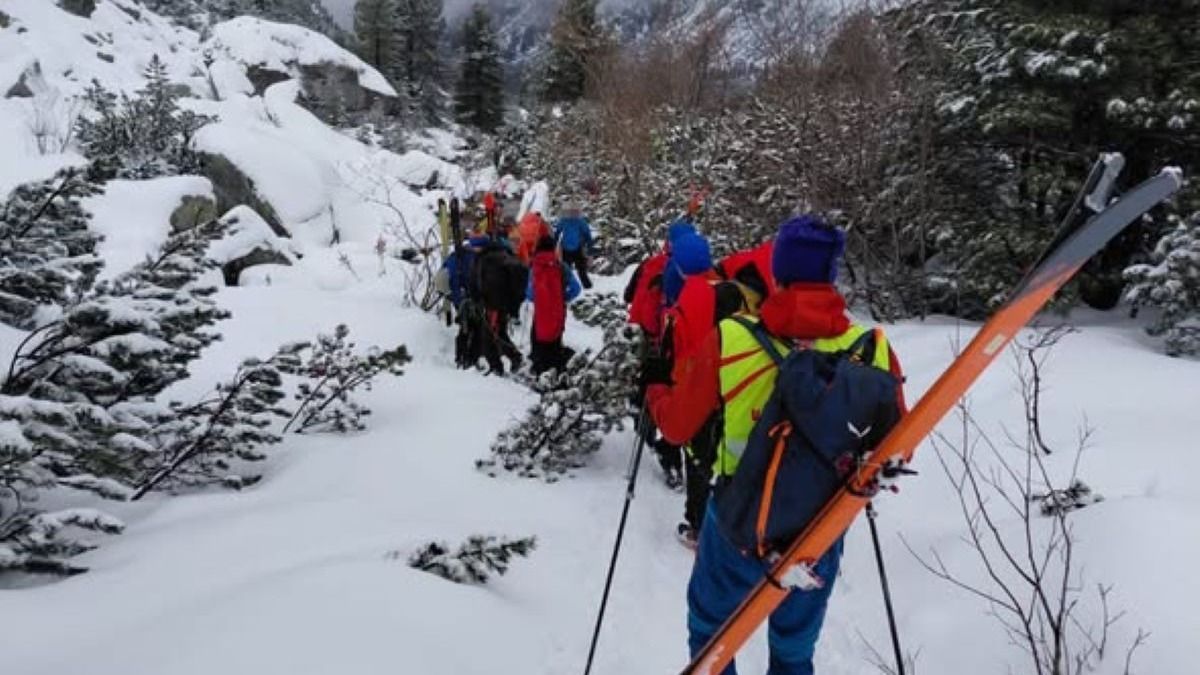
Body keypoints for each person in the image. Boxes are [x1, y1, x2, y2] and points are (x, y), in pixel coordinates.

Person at [646, 215, 907, 675]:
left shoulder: (733, 338)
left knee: (711, 634)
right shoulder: (872, 349)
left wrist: (655, 393)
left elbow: (678, 429)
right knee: (793, 651)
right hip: (819, 534)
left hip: (737, 528)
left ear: (778, 273)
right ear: (831, 275)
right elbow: (898, 449)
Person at [468, 237, 527, 375]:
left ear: (480, 247)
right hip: (500, 303)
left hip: (493, 304)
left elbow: (483, 284)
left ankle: (498, 367)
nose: (472, 249)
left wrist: (478, 298)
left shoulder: (487, 260)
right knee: (499, 333)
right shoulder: (501, 256)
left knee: (489, 336)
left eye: (474, 246)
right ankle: (513, 359)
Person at [526, 236, 582, 375]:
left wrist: (541, 300)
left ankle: (539, 368)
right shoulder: (561, 266)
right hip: (558, 310)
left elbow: (529, 293)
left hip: (541, 311)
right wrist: (562, 297)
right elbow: (576, 288)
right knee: (555, 338)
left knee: (538, 337)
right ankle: (556, 369)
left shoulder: (535, 266)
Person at [554, 204, 594, 290]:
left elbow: (588, 236)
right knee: (566, 271)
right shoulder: (564, 221)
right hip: (566, 249)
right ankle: (562, 288)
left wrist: (590, 251)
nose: (572, 214)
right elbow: (557, 233)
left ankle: (588, 288)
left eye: (574, 212)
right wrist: (553, 246)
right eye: (570, 212)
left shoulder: (580, 221)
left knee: (581, 270)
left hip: (577, 249)